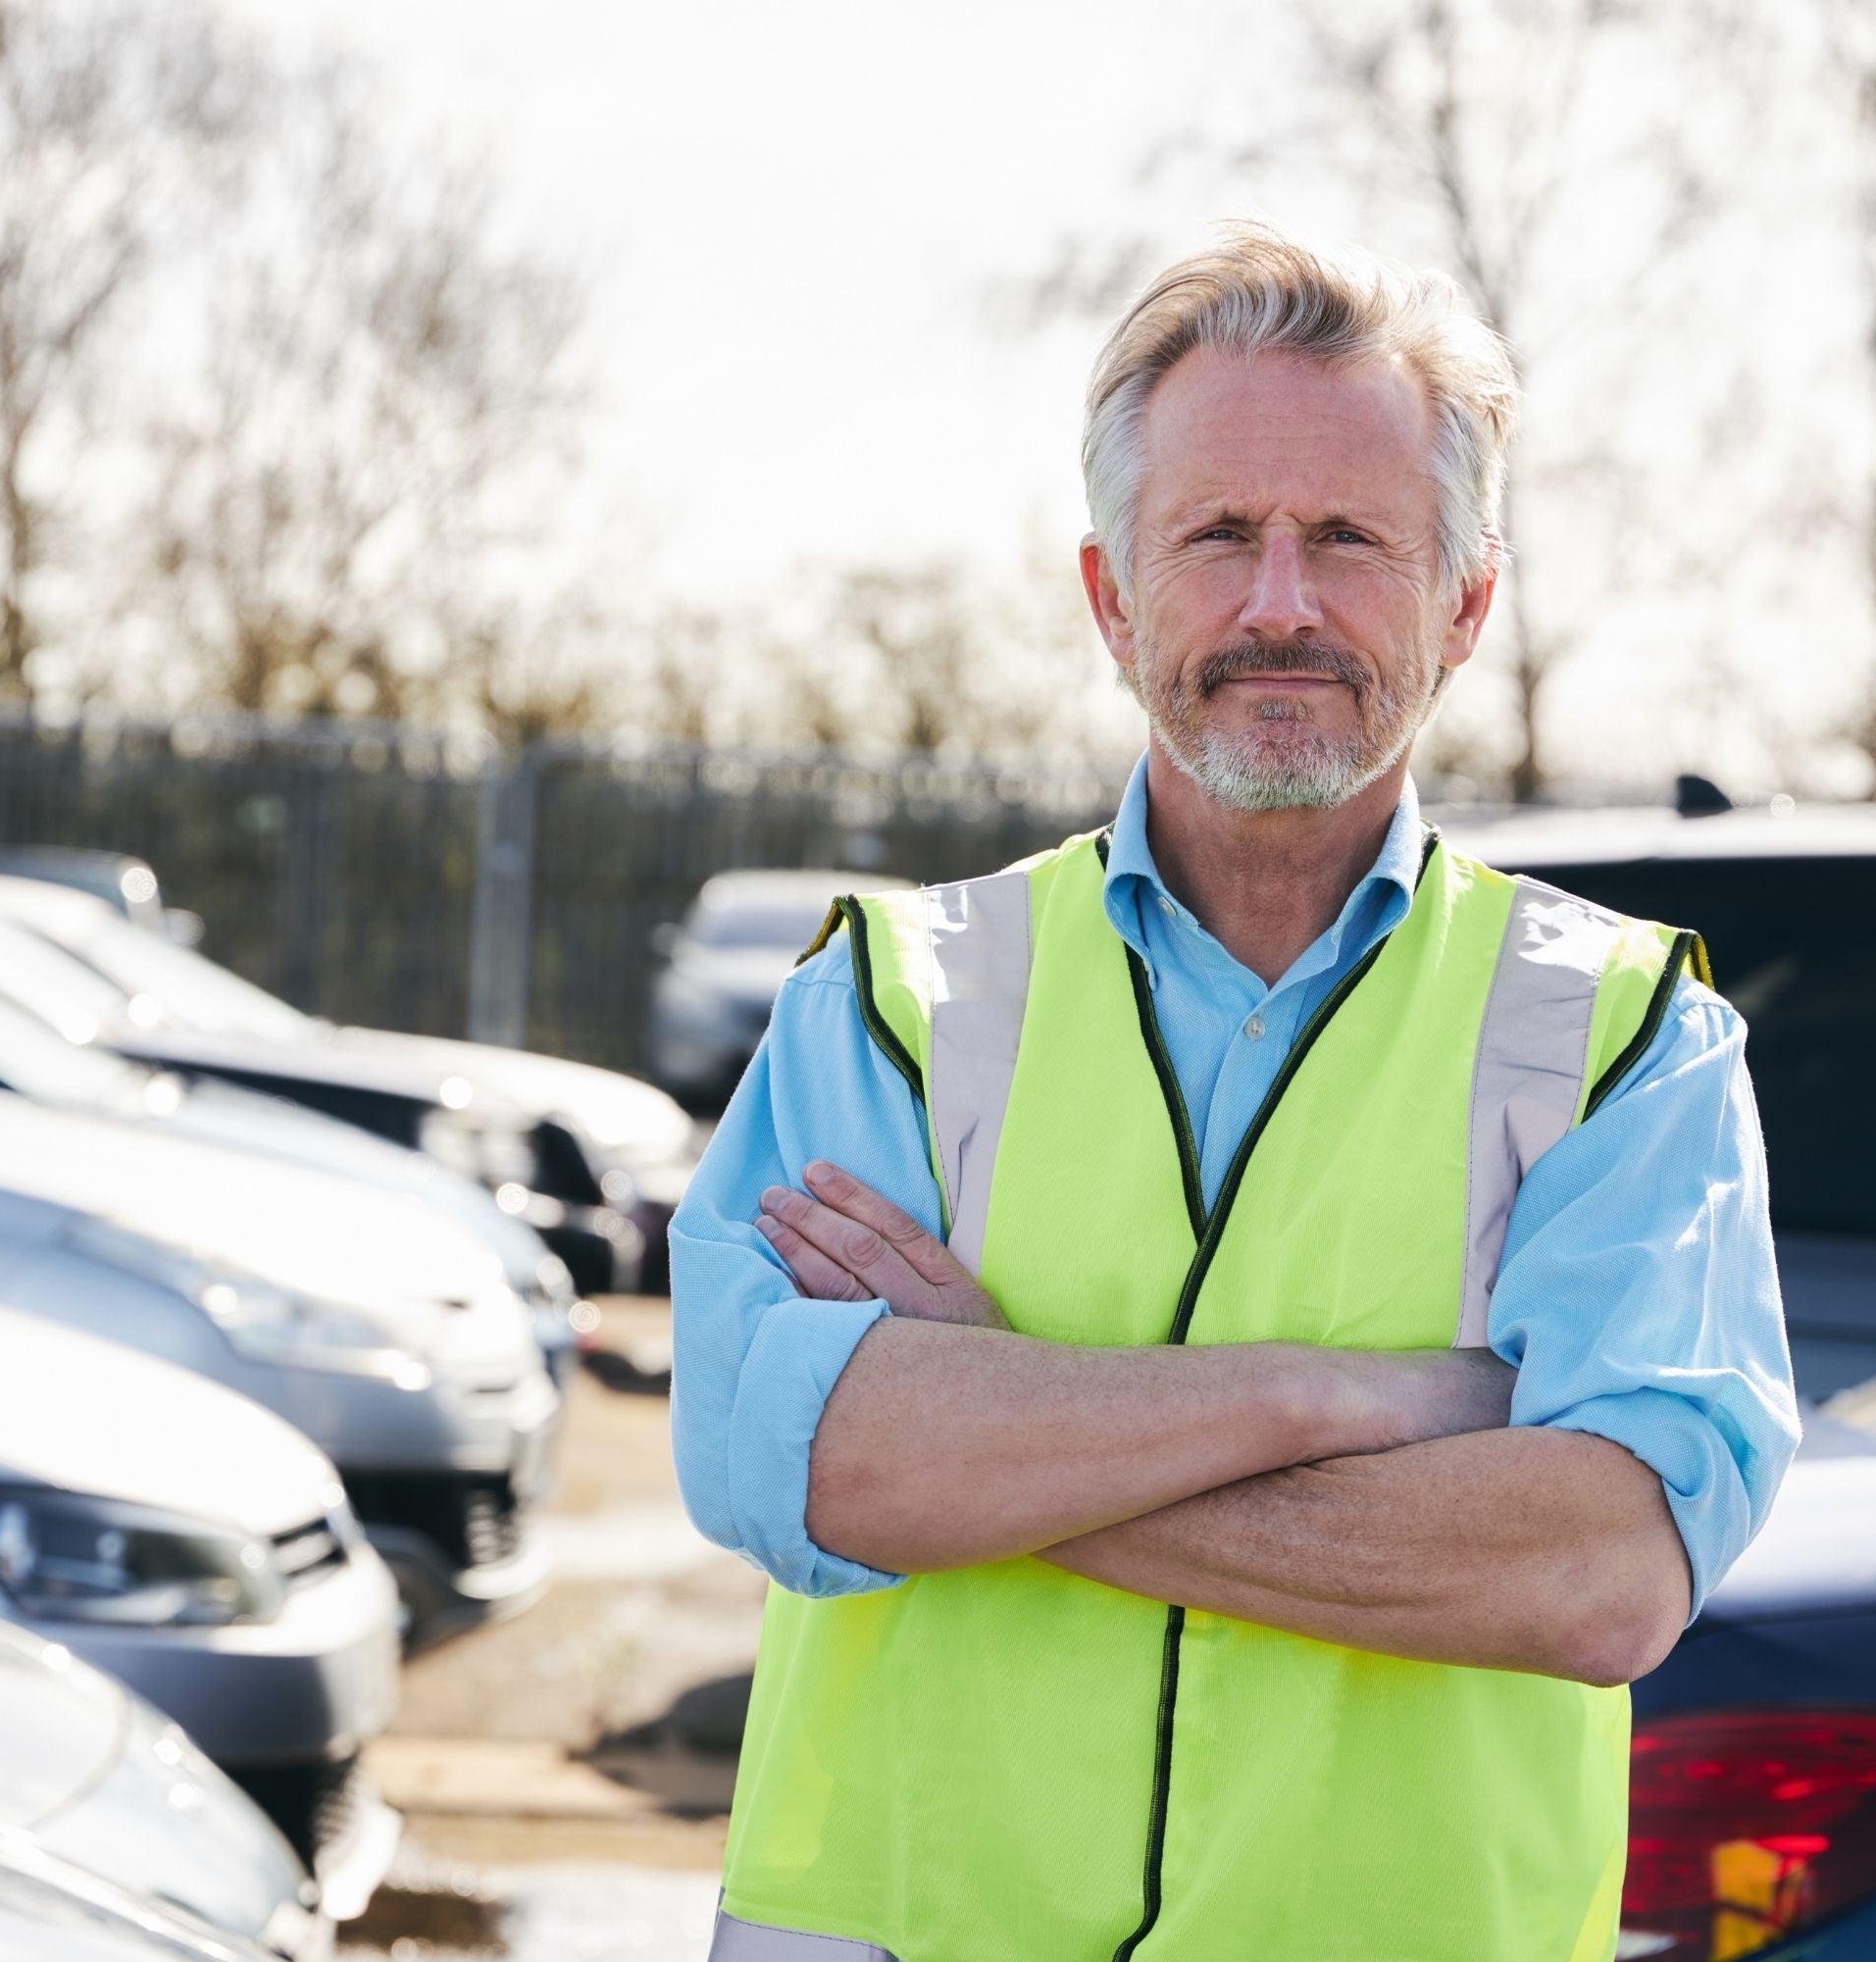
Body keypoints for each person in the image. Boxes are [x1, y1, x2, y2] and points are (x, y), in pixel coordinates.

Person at [668, 221, 1800, 1962]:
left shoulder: (1625, 1036)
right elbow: (785, 1453)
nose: (1282, 602)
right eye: (1218, 536)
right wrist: (1350, 1397)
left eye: (1350, 538)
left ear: (1466, 603)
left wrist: (1000, 1433)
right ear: (1116, 599)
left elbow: (1598, 1568)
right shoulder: (894, 1001)